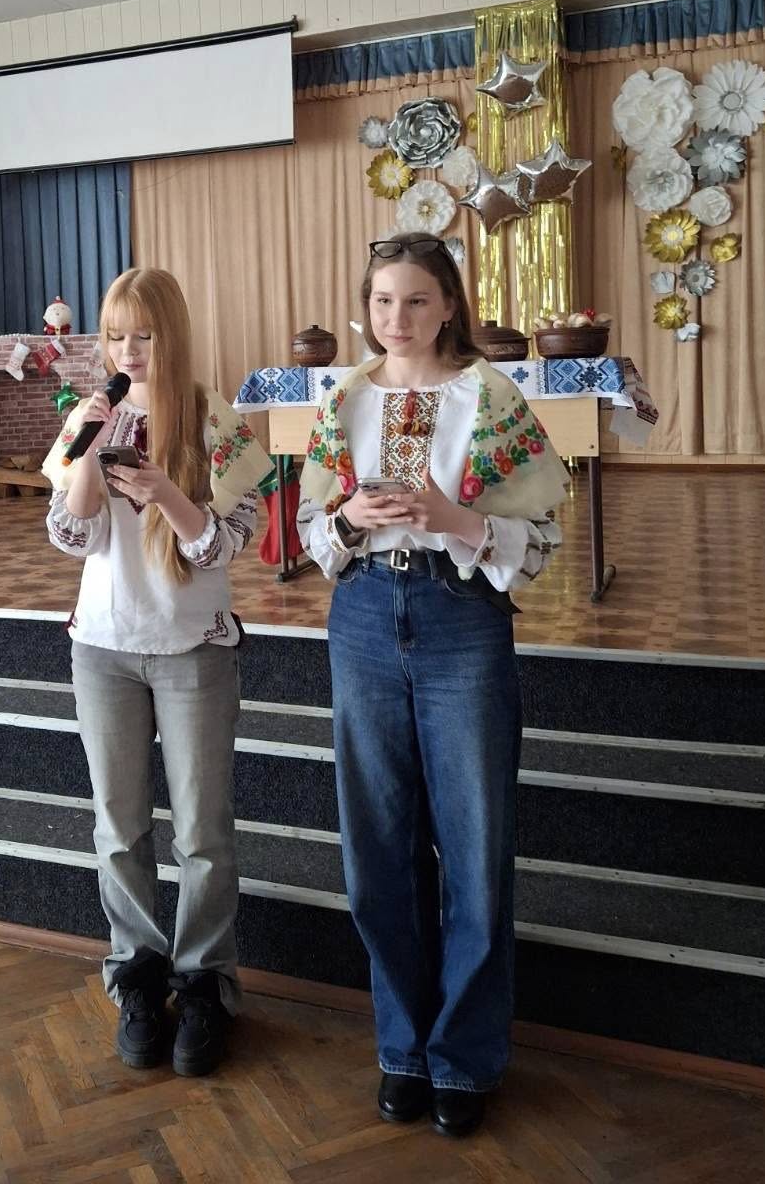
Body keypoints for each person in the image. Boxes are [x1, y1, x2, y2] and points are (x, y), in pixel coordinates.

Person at [297, 234, 568, 1139]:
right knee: (378, 845)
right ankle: (403, 1047)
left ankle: (464, 1055)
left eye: (416, 300)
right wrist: (347, 518)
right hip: (365, 615)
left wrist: (457, 518)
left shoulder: (488, 396)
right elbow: (313, 534)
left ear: (449, 304)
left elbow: (543, 540)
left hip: (460, 619)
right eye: (382, 301)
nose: (397, 318)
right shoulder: (344, 397)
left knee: (475, 844)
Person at [42, 268, 271, 1078]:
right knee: (119, 827)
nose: (128, 351)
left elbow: (226, 544)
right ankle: (137, 976)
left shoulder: (214, 419)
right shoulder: (90, 413)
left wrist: (169, 493)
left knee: (203, 831)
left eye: (142, 334)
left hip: (192, 648)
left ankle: (204, 983)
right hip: (103, 648)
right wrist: (89, 448)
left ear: (171, 334)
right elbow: (70, 537)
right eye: (115, 336)